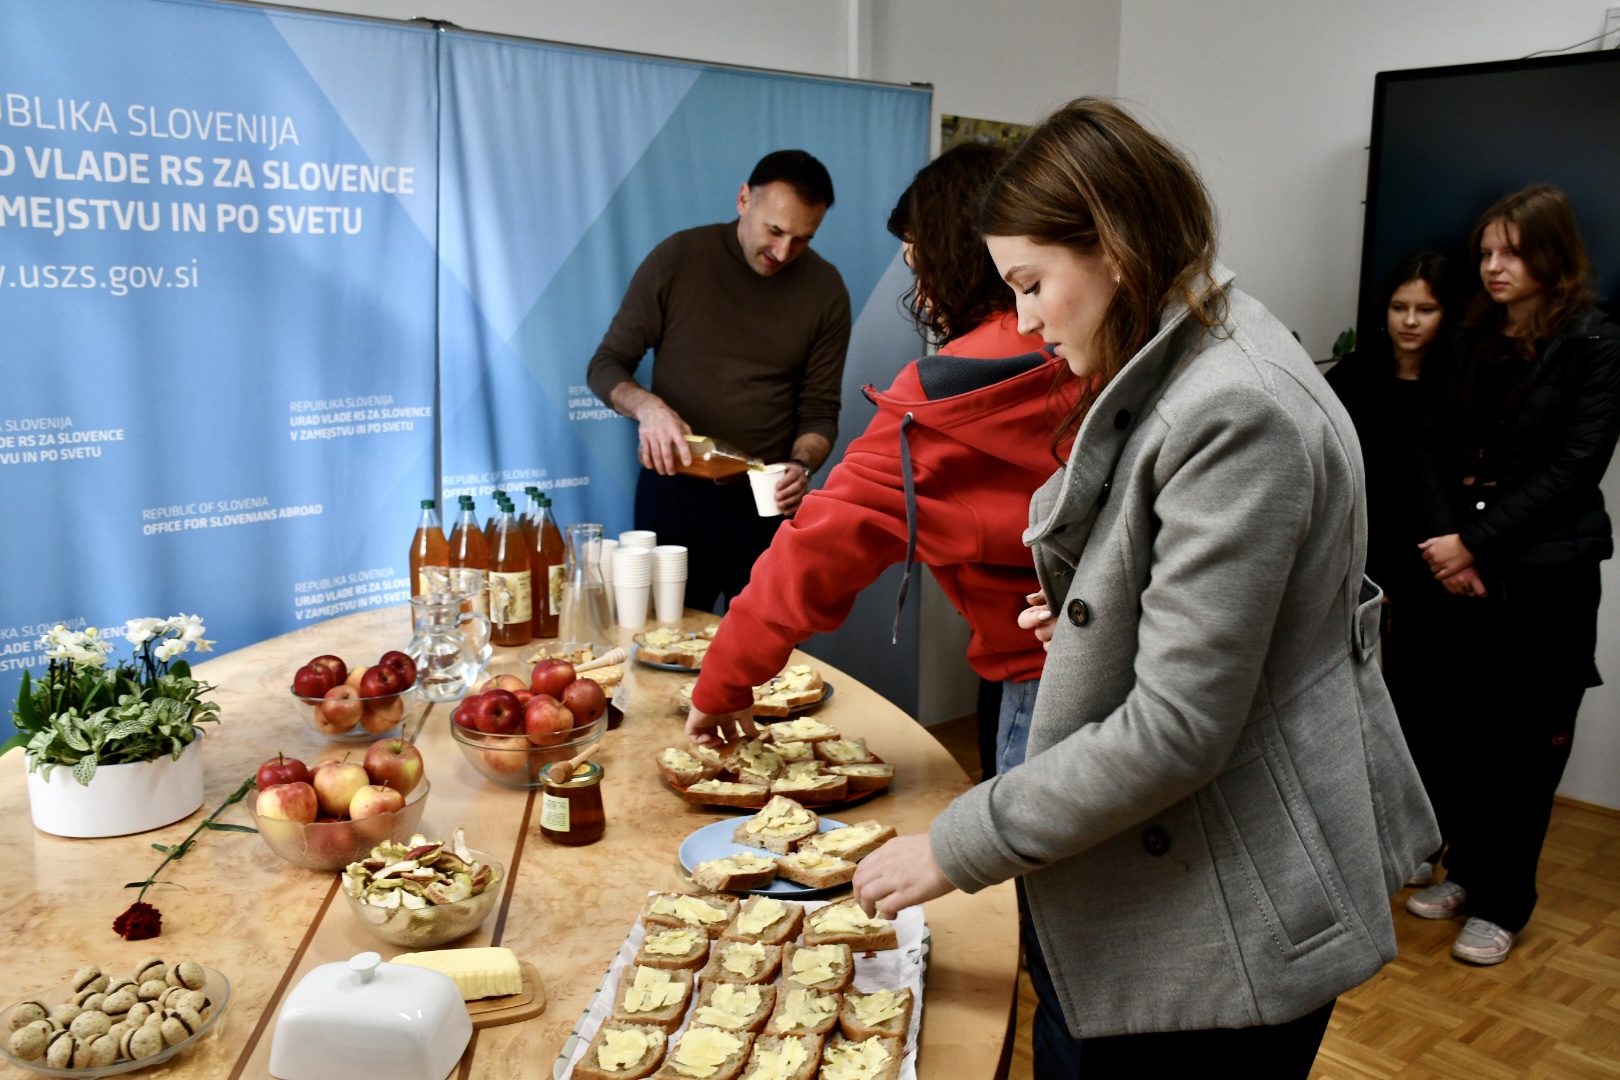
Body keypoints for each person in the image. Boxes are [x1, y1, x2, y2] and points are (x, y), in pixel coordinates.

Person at [833, 98, 1438, 1077]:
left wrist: (958, 843)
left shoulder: (1233, 408)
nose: (1023, 319)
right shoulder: (1202, 340)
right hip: (1188, 874)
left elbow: (1179, 726)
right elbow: (1207, 594)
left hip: (1224, 907)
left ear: (1112, 247)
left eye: (1032, 284)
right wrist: (1094, 615)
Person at [685, 143, 1053, 778]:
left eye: (919, 265)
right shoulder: (1094, 339)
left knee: (1035, 874)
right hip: (1129, 665)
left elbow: (820, 548)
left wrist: (722, 682)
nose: (920, 291)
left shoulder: (945, 389)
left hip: (1039, 682)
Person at [1405, 184, 1620, 966]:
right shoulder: (1468, 336)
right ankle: (1465, 874)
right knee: (1463, 733)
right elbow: (1426, 445)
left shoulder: (1595, 341)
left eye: (1512, 252)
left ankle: (1504, 902)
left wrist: (1474, 546)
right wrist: (1443, 541)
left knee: (1527, 747)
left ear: (1552, 255)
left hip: (1546, 580)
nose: (1494, 267)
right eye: (1486, 253)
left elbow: (1574, 468)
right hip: (1460, 569)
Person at [586, 150, 852, 612]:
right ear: (743, 199)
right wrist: (648, 407)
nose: (783, 252)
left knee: (763, 660)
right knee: (660, 643)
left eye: (802, 239)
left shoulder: (826, 290)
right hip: (673, 493)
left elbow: (821, 413)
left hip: (763, 504)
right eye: (775, 231)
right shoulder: (679, 258)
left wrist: (801, 466)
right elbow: (606, 365)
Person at [1325, 252, 1455, 887]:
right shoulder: (1357, 373)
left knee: (1426, 700)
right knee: (1359, 696)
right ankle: (1368, 833)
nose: (1409, 321)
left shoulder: (1461, 378)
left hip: (1432, 558)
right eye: (1399, 307)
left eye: (1425, 309)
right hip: (1363, 554)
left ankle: (1424, 841)